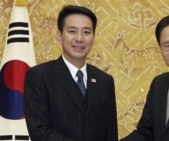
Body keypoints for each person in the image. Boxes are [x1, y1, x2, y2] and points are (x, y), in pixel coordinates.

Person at [24, 5, 118, 141]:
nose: (79, 38)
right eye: (72, 31)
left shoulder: (105, 80)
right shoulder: (39, 76)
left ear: (93, 37)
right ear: (59, 35)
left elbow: (110, 134)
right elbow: (39, 131)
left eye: (86, 32)